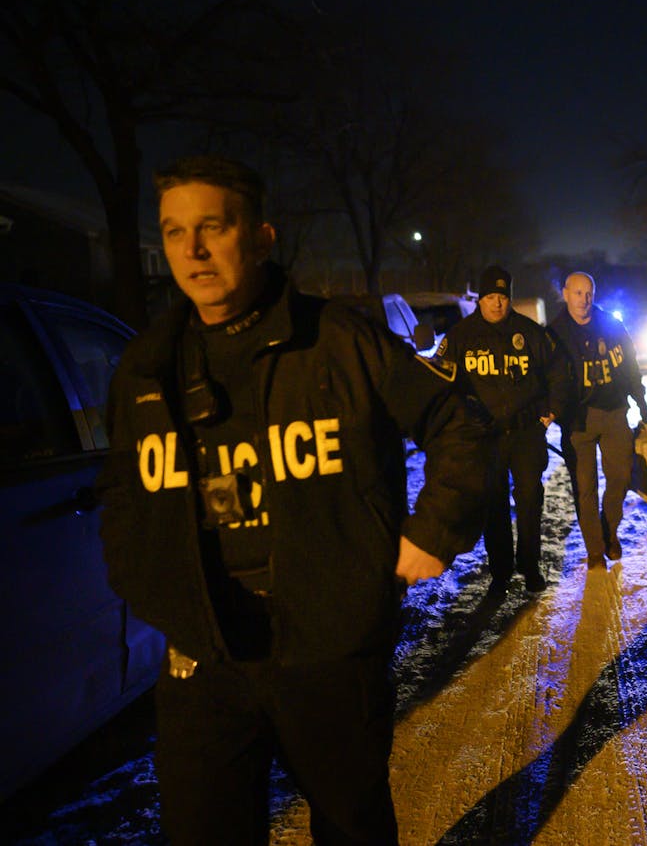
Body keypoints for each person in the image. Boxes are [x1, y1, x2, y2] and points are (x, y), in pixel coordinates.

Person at [97, 156, 492, 845]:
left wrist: (432, 531)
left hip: (329, 651)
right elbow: (124, 499)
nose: (192, 251)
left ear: (261, 236)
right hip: (205, 662)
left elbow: (458, 421)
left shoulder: (337, 341)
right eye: (173, 231)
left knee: (352, 828)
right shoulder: (147, 367)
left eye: (212, 228)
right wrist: (154, 592)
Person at [437, 264, 570, 594]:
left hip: (526, 433)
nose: (497, 303)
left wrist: (550, 413)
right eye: (491, 297)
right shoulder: (460, 337)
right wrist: (459, 423)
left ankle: (530, 566)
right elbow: (442, 383)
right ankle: (500, 572)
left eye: (502, 297)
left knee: (529, 502)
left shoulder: (530, 332)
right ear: (480, 300)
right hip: (486, 436)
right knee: (493, 505)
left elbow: (558, 373)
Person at [548, 271, 647, 570]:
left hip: (614, 412)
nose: (584, 300)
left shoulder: (611, 325)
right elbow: (546, 379)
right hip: (577, 422)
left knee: (619, 477)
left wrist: (640, 398)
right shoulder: (553, 334)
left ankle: (610, 530)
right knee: (585, 487)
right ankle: (595, 548)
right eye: (578, 293)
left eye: (589, 293)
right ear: (566, 294)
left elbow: (630, 363)